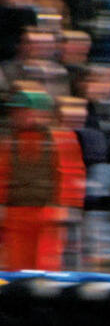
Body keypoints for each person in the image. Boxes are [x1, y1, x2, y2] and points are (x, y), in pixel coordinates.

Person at [0, 89, 85, 270]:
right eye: (16, 111)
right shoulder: (9, 140)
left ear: (41, 112)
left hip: (48, 213)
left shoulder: (62, 138)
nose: (18, 115)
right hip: (15, 214)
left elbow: (70, 174)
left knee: (46, 265)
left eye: (24, 111)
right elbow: (2, 174)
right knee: (15, 266)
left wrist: (66, 206)